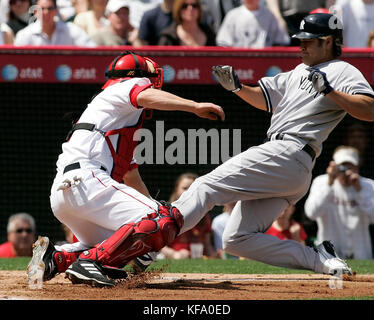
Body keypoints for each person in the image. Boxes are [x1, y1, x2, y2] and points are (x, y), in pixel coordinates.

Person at [170, 13, 374, 276]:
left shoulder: (342, 70)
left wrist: (331, 92)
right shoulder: (299, 70)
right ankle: (318, 259)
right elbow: (265, 99)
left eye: (309, 41)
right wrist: (238, 88)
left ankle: (149, 243)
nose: (301, 45)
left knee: (205, 187)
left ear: (328, 42)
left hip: (289, 151)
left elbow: (370, 110)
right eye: (300, 40)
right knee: (235, 240)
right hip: (290, 164)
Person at [26, 51, 224, 287]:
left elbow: (130, 175)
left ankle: (57, 258)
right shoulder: (127, 86)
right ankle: (90, 262)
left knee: (123, 242)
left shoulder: (115, 117)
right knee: (162, 219)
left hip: (64, 194)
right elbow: (144, 94)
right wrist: (194, 106)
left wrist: (152, 222)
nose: (152, 84)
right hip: (86, 180)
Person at [304, 146, 374, 259]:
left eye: (350, 166)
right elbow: (311, 214)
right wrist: (330, 184)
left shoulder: (368, 185)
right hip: (329, 255)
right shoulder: (321, 182)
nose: (346, 171)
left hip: (361, 253)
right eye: (342, 167)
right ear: (334, 166)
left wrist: (359, 191)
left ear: (357, 166)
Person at [160, 173, 216, 259]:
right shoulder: (166, 213)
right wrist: (174, 254)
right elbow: (158, 244)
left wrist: (214, 255)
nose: (188, 192)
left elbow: (208, 245)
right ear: (176, 189)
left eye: (192, 188)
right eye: (184, 188)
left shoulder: (204, 215)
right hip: (174, 259)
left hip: (200, 260)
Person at [14, 0, 96, 46]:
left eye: (50, 8)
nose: (46, 12)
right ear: (35, 12)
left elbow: (92, 50)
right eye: (42, 9)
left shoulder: (71, 30)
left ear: (56, 11)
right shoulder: (25, 35)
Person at [216, 0, 290, 48]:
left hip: (264, 63)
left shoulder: (270, 16)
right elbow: (223, 43)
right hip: (239, 64)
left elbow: (281, 41)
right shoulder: (232, 15)